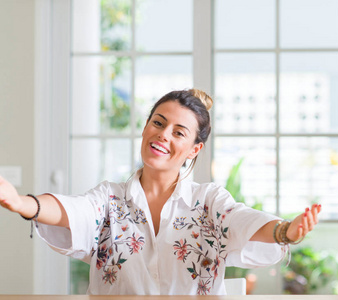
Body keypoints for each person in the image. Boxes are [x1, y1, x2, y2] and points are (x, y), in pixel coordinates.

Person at [0, 89, 321, 295]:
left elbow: (242, 221)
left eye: (178, 132)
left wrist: (285, 231)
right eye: (158, 122)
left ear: (195, 149)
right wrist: (21, 202)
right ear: (145, 127)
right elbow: (73, 209)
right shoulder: (109, 198)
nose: (163, 135)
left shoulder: (208, 201)